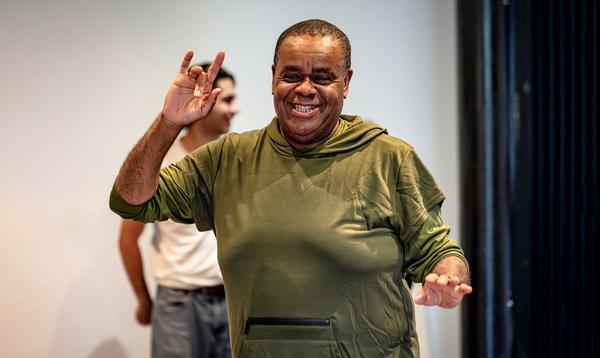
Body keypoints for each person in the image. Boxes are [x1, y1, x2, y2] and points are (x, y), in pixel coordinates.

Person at [110, 19, 472, 358]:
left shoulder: (388, 158)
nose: (304, 88)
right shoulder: (227, 160)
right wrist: (168, 123)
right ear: (273, 78)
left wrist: (449, 276)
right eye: (292, 75)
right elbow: (131, 201)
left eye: (322, 77)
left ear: (346, 82)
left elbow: (436, 248)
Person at [117, 63, 238, 358]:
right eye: (228, 100)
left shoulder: (235, 159)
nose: (235, 109)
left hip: (230, 301)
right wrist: (145, 301)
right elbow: (127, 239)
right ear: (203, 101)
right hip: (179, 305)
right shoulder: (164, 163)